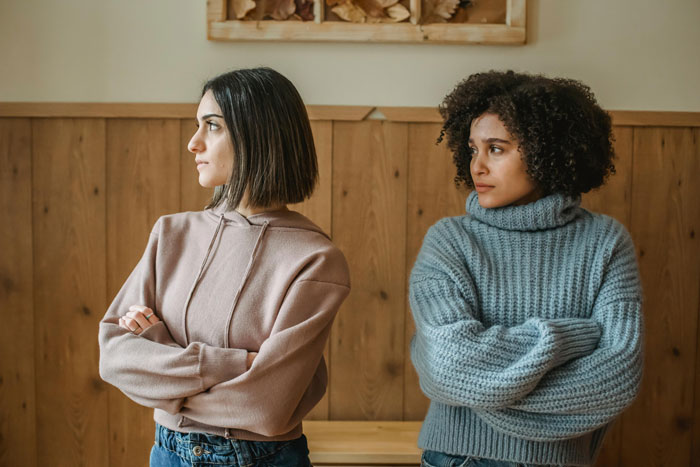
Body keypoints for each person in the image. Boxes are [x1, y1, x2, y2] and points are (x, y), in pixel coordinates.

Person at [98, 67, 350, 467]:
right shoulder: (170, 234)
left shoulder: (315, 259)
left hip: (261, 458)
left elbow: (266, 408)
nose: (192, 143)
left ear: (259, 135)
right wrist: (239, 363)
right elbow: (114, 358)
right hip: (167, 453)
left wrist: (159, 354)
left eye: (211, 126)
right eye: (197, 125)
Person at [409, 70, 643, 467]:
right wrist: (573, 337)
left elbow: (618, 377)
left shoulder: (605, 242)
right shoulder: (448, 240)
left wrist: (486, 387)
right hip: (459, 458)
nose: (476, 167)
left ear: (548, 150)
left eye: (496, 149)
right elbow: (450, 365)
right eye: (472, 149)